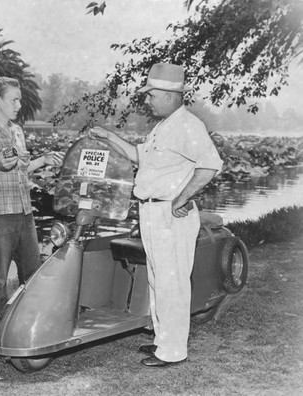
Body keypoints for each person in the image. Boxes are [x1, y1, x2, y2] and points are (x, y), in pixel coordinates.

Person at [89, 63, 223, 368]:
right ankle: (163, 341)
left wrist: (183, 197)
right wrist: (108, 137)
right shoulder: (164, 126)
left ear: (167, 95)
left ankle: (173, 351)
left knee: (172, 281)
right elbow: (138, 156)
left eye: (151, 95)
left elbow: (210, 165)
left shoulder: (189, 126)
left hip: (169, 213)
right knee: (158, 278)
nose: (147, 101)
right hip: (151, 211)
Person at [0, 77, 64, 357]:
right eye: (14, 100)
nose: (19, 105)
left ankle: (29, 333)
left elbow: (22, 169)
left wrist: (43, 161)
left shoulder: (18, 132)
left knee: (32, 276)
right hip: (0, 218)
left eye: (20, 99)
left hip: (25, 215)